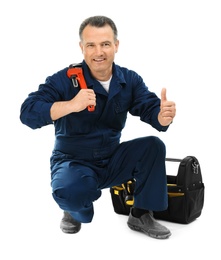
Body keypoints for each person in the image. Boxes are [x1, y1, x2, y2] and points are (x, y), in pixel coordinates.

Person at [20, 15, 176, 239]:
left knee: (152, 146)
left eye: (105, 44)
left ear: (116, 45)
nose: (99, 52)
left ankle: (140, 213)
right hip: (73, 161)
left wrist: (162, 117)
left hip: (112, 159)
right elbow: (28, 113)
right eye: (91, 45)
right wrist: (71, 105)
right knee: (72, 191)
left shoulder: (129, 80)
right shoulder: (65, 80)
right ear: (82, 48)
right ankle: (73, 209)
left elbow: (150, 108)